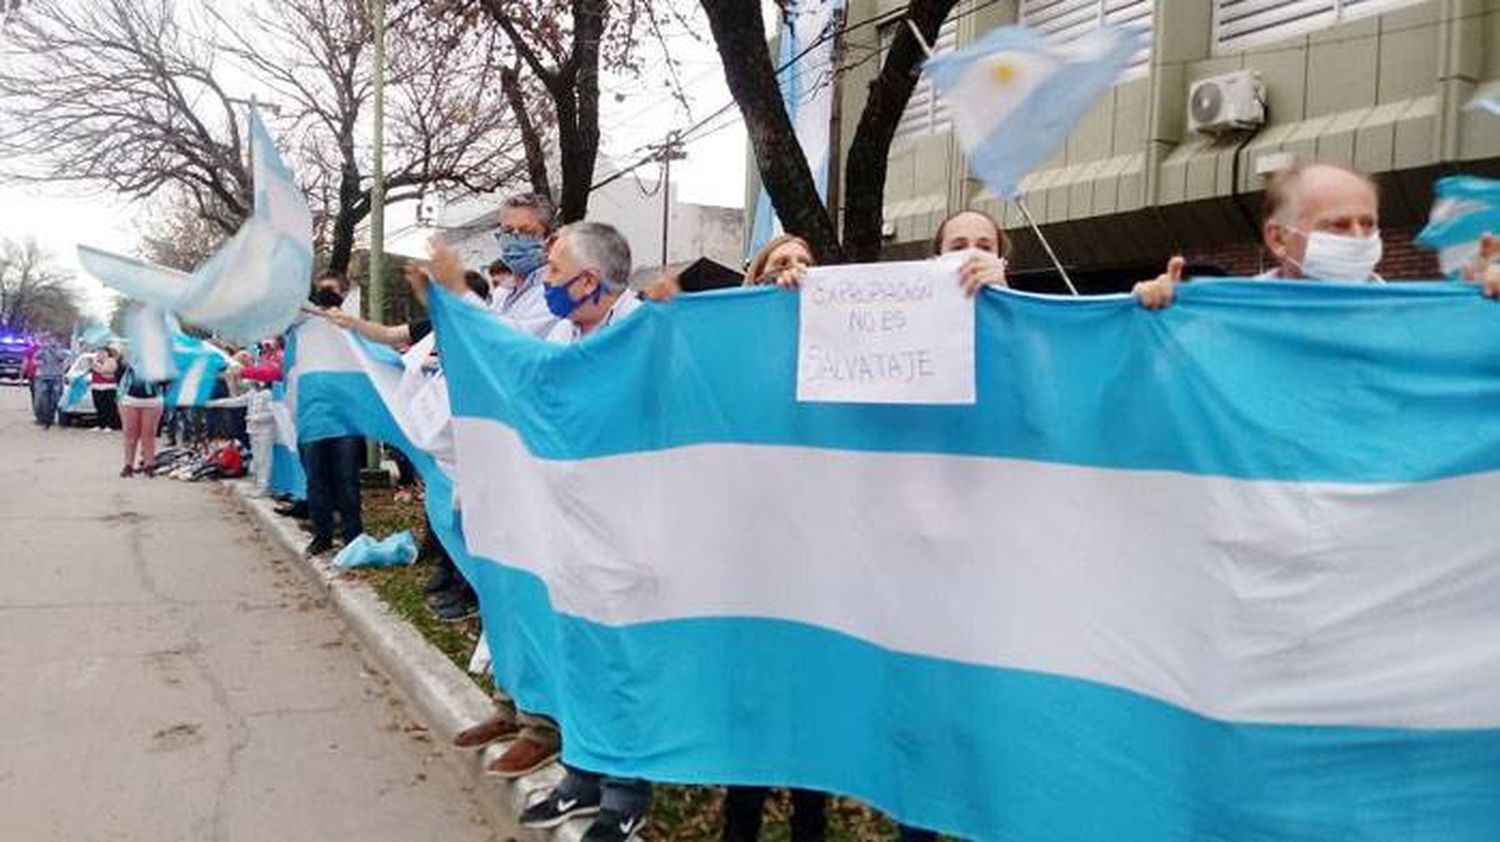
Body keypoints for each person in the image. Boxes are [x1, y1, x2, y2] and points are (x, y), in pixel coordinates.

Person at [517, 221, 653, 842]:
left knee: (620, 660)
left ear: (588, 281)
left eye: (551, 272)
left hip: (627, 531)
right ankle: (582, 772)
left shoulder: (642, 336)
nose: (543, 282)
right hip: (564, 528)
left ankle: (626, 793)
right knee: (573, 649)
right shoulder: (559, 334)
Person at [715, 236, 832, 842]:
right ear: (755, 280)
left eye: (806, 262)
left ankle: (810, 822)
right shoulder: (735, 351)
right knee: (754, 698)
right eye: (781, 264)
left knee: (812, 697)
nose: (796, 272)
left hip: (823, 558)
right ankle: (742, 820)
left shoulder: (849, 349)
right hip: (752, 556)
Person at [1133, 161, 1500, 308]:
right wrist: (1156, 321)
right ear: (1278, 239)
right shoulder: (1230, 318)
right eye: (1338, 225)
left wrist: (1476, 310)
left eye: (1368, 224)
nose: (1359, 237)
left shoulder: (1410, 319)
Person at [300, 271, 365, 557]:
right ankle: (322, 535)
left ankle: (353, 537)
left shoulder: (354, 327)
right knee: (316, 482)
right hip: (312, 419)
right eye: (321, 291)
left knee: (347, 481)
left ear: (344, 294)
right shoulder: (303, 325)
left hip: (345, 421)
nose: (325, 297)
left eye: (332, 292)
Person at [116, 352, 166, 477]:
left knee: (149, 433)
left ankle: (149, 465)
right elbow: (117, 371)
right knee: (130, 433)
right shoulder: (129, 355)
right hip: (129, 397)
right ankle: (128, 465)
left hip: (152, 399)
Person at [30, 337, 69, 429]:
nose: (51, 342)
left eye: (53, 340)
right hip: (45, 377)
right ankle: (47, 420)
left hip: (56, 377)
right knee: (45, 400)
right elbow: (34, 359)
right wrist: (38, 363)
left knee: (56, 400)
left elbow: (63, 358)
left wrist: (63, 366)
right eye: (50, 340)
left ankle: (57, 418)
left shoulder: (60, 350)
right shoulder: (43, 350)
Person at [90, 345, 121, 430]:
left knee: (109, 407)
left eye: (103, 352)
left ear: (108, 353)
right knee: (99, 406)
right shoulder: (95, 360)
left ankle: (110, 425)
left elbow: (106, 370)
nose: (101, 354)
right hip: (96, 386)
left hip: (109, 387)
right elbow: (96, 370)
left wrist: (98, 366)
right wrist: (96, 364)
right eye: (99, 352)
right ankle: (100, 424)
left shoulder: (111, 361)